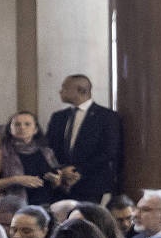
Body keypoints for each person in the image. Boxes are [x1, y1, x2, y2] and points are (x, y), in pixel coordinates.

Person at [44, 75, 123, 205]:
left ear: (81, 91)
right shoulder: (58, 117)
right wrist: (61, 170)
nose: (60, 91)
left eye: (65, 88)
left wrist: (78, 171)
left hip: (90, 183)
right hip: (59, 183)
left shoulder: (106, 117)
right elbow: (48, 148)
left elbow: (109, 151)